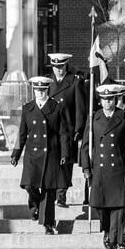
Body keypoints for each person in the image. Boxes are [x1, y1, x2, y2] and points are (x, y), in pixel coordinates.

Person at [10, 76, 70, 235]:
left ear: (48, 90)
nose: (40, 92)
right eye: (38, 90)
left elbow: (63, 133)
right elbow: (21, 134)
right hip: (32, 154)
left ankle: (48, 224)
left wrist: (65, 153)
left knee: (49, 191)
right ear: (34, 90)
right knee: (29, 185)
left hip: (51, 153)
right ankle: (34, 204)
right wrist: (16, 153)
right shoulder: (27, 108)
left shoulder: (57, 107)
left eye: (43, 89)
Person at [81, 83, 125, 249]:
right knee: (101, 206)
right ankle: (106, 229)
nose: (107, 102)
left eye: (110, 99)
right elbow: (86, 145)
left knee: (117, 207)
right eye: (104, 99)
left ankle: (112, 240)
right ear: (100, 100)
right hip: (100, 170)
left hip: (118, 168)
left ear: (115, 99)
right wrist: (86, 167)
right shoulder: (93, 118)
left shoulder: (123, 117)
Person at [46, 53, 86, 208]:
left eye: (61, 67)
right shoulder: (48, 82)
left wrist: (78, 128)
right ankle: (54, 194)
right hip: (52, 129)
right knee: (54, 163)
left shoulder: (74, 81)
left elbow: (80, 107)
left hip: (68, 129)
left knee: (66, 163)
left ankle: (61, 196)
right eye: (56, 67)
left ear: (66, 65)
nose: (58, 70)